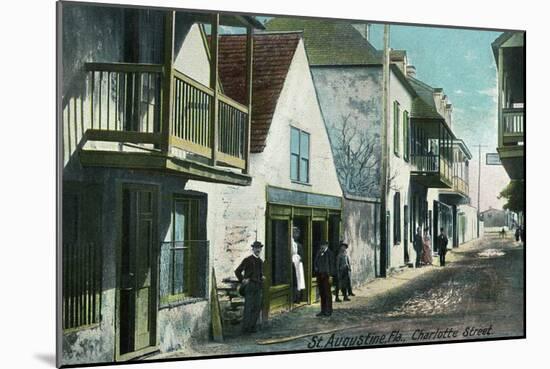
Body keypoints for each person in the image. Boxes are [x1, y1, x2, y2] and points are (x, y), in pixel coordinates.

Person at [234, 241, 265, 334]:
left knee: (257, 307)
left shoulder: (260, 261)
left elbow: (259, 273)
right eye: (256, 248)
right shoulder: (247, 260)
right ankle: (245, 329)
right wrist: (243, 279)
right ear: (253, 249)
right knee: (248, 307)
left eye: (259, 248)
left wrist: (262, 277)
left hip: (258, 286)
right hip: (250, 286)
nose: (258, 250)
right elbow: (237, 271)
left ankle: (252, 327)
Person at [314, 241, 334, 316]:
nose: (322, 247)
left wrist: (331, 276)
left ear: (327, 245)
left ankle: (329, 310)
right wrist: (316, 268)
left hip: (327, 276)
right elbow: (315, 262)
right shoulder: (319, 252)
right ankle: (323, 310)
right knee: (322, 293)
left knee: (327, 293)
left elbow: (332, 265)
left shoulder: (330, 253)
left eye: (324, 245)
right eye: (321, 245)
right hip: (320, 275)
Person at [291, 227, 306, 303]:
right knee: (294, 280)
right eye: (294, 233)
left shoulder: (299, 245)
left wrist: (298, 259)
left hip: (298, 265)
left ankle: (298, 297)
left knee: (298, 280)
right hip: (292, 264)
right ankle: (294, 297)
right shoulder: (291, 244)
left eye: (297, 234)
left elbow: (302, 256)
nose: (296, 235)